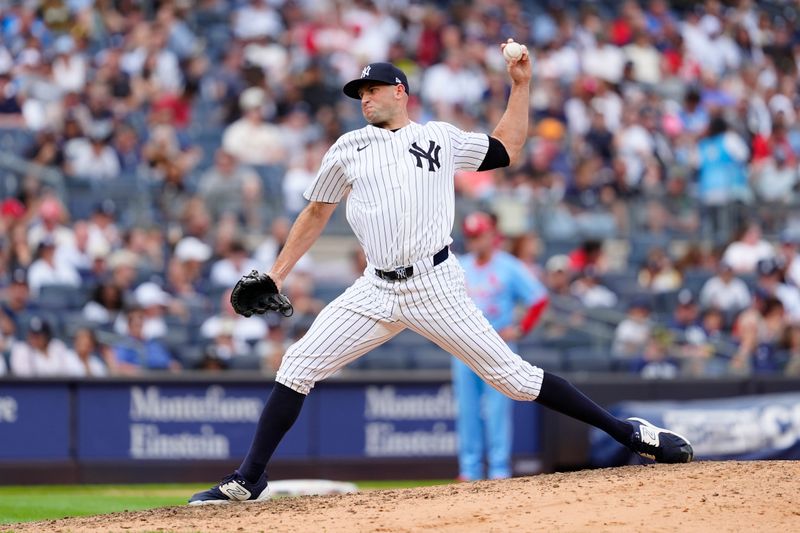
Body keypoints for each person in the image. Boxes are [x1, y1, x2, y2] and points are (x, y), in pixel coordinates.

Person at [190, 45, 693, 505]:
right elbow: (316, 213)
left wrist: (520, 86)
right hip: (375, 288)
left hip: (434, 285)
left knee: (515, 380)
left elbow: (506, 149)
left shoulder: (437, 137)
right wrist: (277, 274)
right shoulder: (346, 148)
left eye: (372, 90)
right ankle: (248, 478)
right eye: (358, 93)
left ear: (399, 92)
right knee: (297, 365)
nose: (364, 99)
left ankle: (631, 434)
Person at [453, 211, 548, 481]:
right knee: (467, 411)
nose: (474, 241)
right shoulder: (459, 265)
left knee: (497, 412)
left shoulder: (509, 266)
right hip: (464, 348)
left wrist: (520, 329)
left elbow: (538, 299)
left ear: (491, 235)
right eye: (470, 236)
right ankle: (469, 471)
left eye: (479, 235)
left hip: (498, 349)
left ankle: (498, 470)